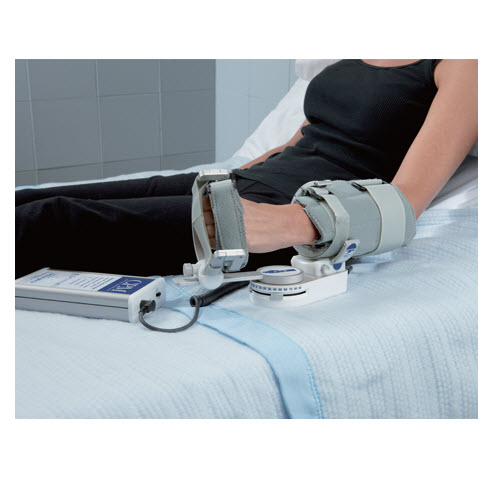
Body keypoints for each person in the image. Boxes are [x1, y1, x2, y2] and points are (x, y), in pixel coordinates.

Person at [15, 59, 478, 280]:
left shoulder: (464, 60)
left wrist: (293, 223)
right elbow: (307, 136)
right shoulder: (352, 54)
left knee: (47, 221)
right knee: (27, 200)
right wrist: (232, 174)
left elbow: (404, 201)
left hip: (280, 213)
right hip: (241, 182)